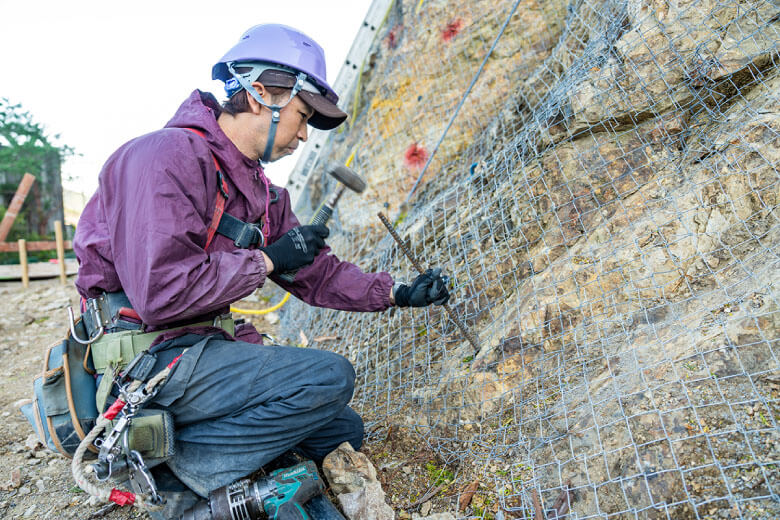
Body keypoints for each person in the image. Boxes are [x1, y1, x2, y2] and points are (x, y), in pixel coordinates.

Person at [72, 23, 449, 518]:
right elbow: (160, 293)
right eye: (302, 115)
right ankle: (179, 471)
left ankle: (201, 457)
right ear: (260, 95)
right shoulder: (162, 156)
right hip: (148, 360)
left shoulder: (262, 193)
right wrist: (269, 258)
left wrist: (397, 292)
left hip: (202, 349)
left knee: (343, 428)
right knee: (329, 378)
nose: (304, 134)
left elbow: (317, 275)